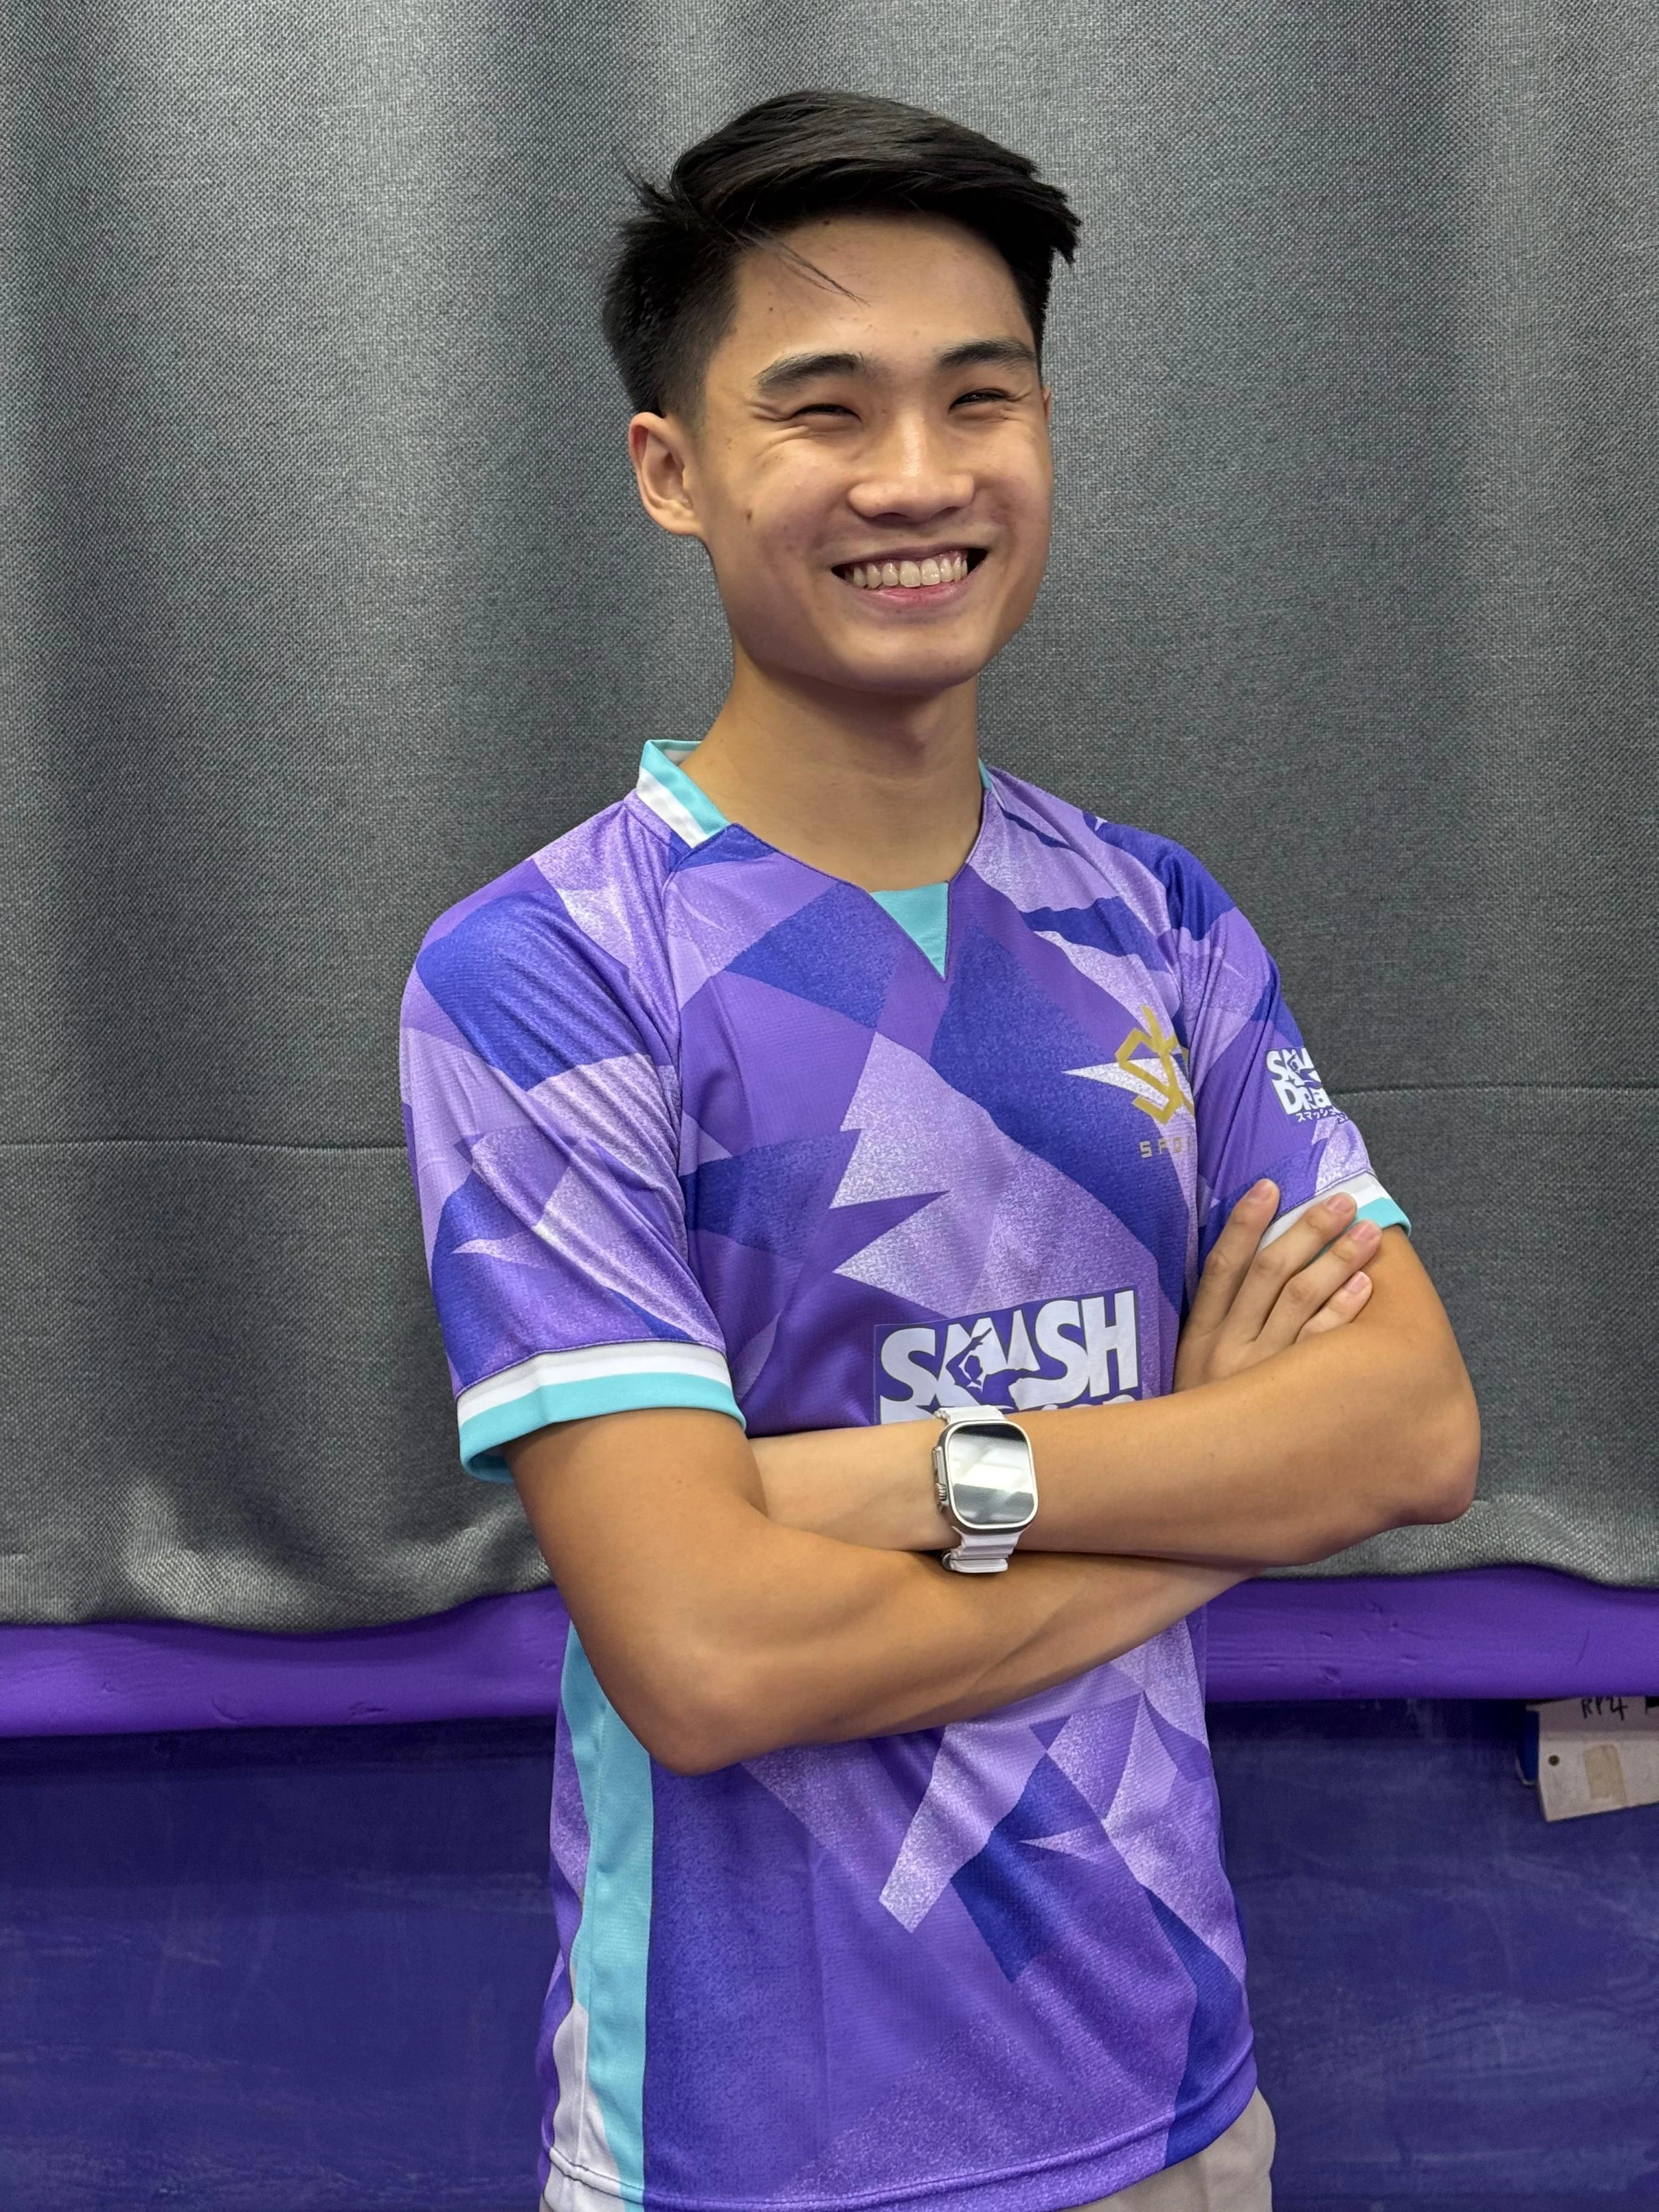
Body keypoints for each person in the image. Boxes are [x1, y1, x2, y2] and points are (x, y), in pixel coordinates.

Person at [398, 88, 1479, 2212]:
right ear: (673, 472)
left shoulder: (1155, 920)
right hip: (749, 2148)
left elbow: (1412, 1428)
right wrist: (1213, 1479)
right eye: (825, 409)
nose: (917, 477)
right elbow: (705, 1661)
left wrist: (880, 1483)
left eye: (980, 397)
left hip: (1181, 2102)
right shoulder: (541, 971)